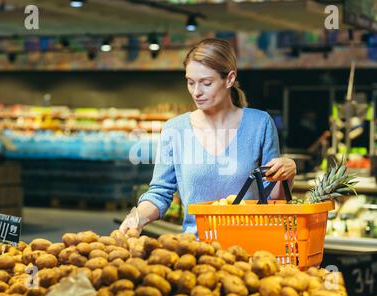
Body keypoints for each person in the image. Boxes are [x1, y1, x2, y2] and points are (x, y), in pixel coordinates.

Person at [120, 38, 296, 235]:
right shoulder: (175, 129)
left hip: (249, 252)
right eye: (190, 82)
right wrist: (137, 218)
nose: (196, 92)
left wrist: (287, 173)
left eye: (206, 83)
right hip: (197, 252)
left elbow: (273, 198)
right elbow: (160, 192)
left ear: (229, 79)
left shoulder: (260, 124)